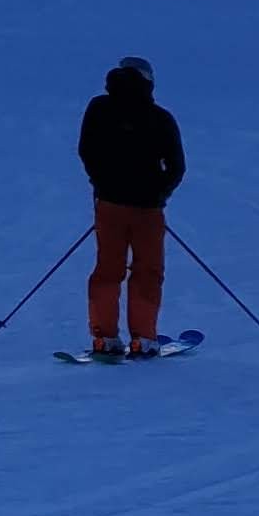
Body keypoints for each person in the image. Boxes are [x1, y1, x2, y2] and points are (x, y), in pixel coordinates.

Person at [76, 55, 187, 358]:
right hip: (147, 209)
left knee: (108, 269)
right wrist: (159, 193)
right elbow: (177, 166)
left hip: (109, 204)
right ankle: (144, 339)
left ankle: (104, 338)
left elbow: (87, 150)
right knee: (147, 271)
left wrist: (102, 183)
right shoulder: (160, 118)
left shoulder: (99, 108)